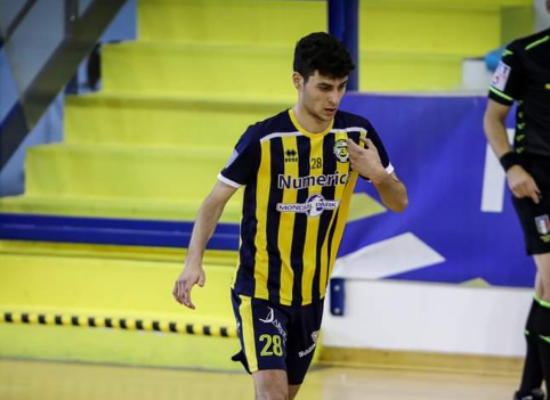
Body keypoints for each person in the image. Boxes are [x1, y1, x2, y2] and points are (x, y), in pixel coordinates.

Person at [173, 32, 408, 400]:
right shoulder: (263, 139)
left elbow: (399, 203)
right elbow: (214, 202)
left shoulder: (357, 134)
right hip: (261, 292)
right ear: (298, 81)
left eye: (342, 87)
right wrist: (193, 262)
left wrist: (378, 175)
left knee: (284, 395)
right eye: (324, 87)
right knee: (273, 395)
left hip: (312, 295)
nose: (334, 99)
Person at [483, 2, 550, 399]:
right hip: (536, 185)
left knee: (545, 286)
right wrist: (512, 166)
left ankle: (527, 389)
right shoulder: (522, 54)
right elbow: (492, 118)